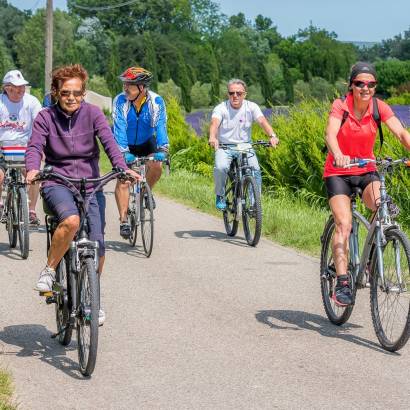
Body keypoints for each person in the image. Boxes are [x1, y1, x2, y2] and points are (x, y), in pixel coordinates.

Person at [25, 64, 140, 325]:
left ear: (83, 93)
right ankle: (50, 270)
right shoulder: (45, 117)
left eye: (77, 93)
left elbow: (109, 143)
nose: (71, 97)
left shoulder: (94, 115)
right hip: (58, 181)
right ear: (56, 92)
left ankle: (92, 298)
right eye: (66, 92)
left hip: (91, 183)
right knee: (71, 221)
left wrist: (122, 169)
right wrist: (33, 169)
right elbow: (34, 147)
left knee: (98, 244)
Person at [324, 61, 410, 306]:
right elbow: (330, 133)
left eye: (371, 84)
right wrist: (338, 152)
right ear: (351, 85)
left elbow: (401, 133)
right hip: (338, 172)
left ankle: (372, 259)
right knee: (344, 224)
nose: (366, 88)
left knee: (383, 206)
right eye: (360, 83)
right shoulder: (341, 105)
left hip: (366, 170)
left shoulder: (378, 107)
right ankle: (342, 282)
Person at [112, 66, 169, 239]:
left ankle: (146, 193)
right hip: (125, 144)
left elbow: (160, 126)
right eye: (125, 84)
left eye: (130, 84)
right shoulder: (120, 101)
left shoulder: (156, 101)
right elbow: (119, 127)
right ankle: (123, 221)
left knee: (156, 166)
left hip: (146, 142)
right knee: (124, 180)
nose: (125, 88)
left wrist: (163, 148)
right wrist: (123, 152)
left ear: (142, 88)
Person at [208, 78, 279, 210]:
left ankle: (254, 203)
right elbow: (214, 124)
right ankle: (220, 195)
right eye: (231, 93)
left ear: (244, 94)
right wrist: (213, 137)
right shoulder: (221, 108)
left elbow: (262, 121)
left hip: (245, 146)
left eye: (239, 93)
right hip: (224, 146)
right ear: (228, 94)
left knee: (255, 170)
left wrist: (272, 136)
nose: (235, 96)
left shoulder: (251, 107)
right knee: (220, 167)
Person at [0, 69, 42, 225]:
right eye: (16, 87)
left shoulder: (31, 102)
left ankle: (31, 210)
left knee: (35, 176)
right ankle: (0, 204)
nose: (20, 90)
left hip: (26, 147)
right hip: (2, 146)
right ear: (7, 88)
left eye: (22, 86)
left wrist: (41, 147)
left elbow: (40, 126)